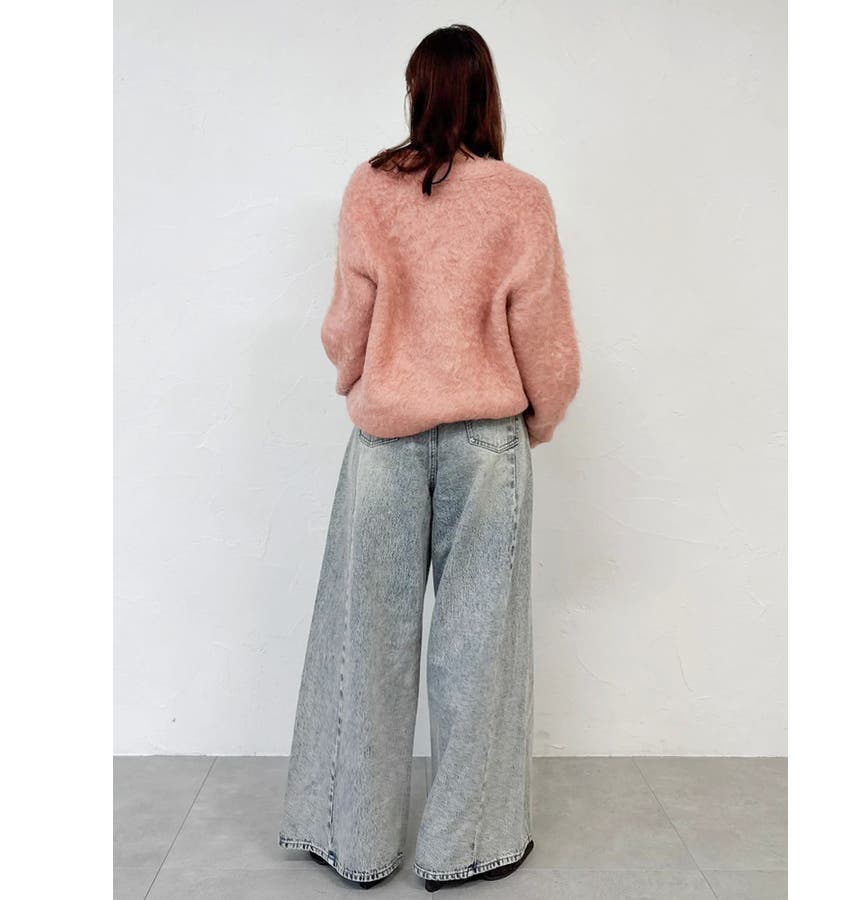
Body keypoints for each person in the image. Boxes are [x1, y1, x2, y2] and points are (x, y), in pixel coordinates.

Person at [278, 23, 581, 893]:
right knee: (480, 648)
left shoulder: (371, 187)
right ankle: (467, 847)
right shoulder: (522, 197)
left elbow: (347, 327)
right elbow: (546, 340)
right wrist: (540, 420)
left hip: (386, 440)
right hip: (488, 443)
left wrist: (365, 377)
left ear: (417, 92)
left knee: (364, 638)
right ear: (488, 94)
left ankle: (357, 844)